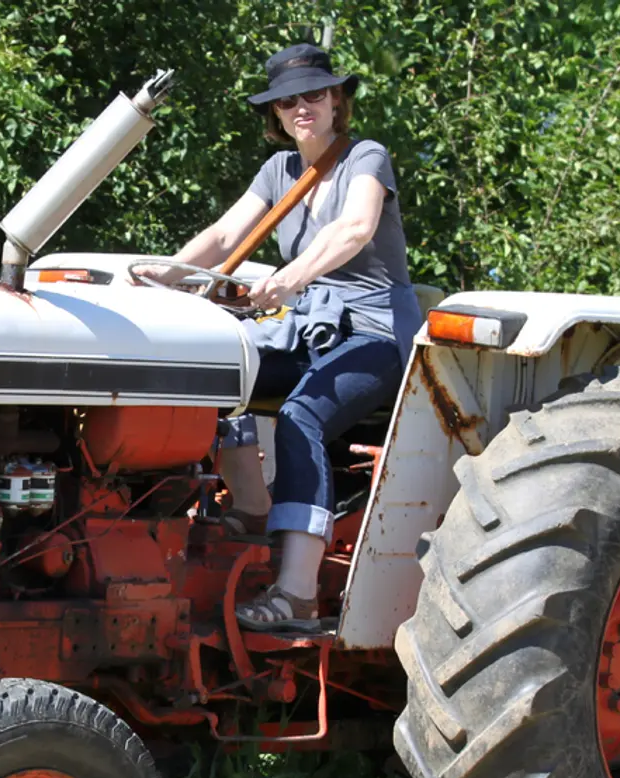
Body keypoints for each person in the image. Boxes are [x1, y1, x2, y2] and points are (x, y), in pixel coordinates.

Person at [157, 43, 423, 632]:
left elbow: (354, 229)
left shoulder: (365, 159)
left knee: (303, 415)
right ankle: (252, 509)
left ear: (335, 101)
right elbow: (227, 234)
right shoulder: (278, 172)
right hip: (310, 326)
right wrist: (162, 276)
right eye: (287, 100)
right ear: (275, 115)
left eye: (314, 94)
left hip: (374, 331)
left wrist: (290, 278)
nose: (302, 106)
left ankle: (297, 595)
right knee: (223, 378)